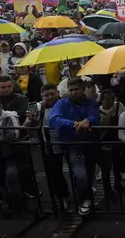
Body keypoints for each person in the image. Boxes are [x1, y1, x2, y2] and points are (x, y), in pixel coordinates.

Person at [49, 77, 100, 216]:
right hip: (71, 144)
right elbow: (54, 120)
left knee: (89, 174)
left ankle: (87, 196)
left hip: (90, 142)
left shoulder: (92, 103)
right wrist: (74, 123)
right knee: (80, 174)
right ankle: (84, 200)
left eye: (76, 89)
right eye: (70, 90)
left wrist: (88, 120)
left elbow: (95, 117)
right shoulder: (61, 103)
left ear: (83, 89)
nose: (72, 92)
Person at [24, 84, 70, 210]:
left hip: (68, 142)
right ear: (41, 96)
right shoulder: (38, 107)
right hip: (48, 144)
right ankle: (60, 197)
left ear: (58, 92)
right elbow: (26, 126)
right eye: (46, 95)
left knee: (75, 171)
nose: (50, 97)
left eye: (52, 94)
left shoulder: (66, 103)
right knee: (53, 172)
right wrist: (30, 119)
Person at [98, 88, 125, 201]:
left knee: (118, 165)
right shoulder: (98, 111)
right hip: (105, 142)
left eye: (112, 99)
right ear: (102, 100)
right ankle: (108, 191)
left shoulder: (119, 106)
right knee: (106, 168)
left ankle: (118, 185)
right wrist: (109, 114)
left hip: (118, 140)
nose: (111, 101)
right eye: (108, 99)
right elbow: (103, 126)